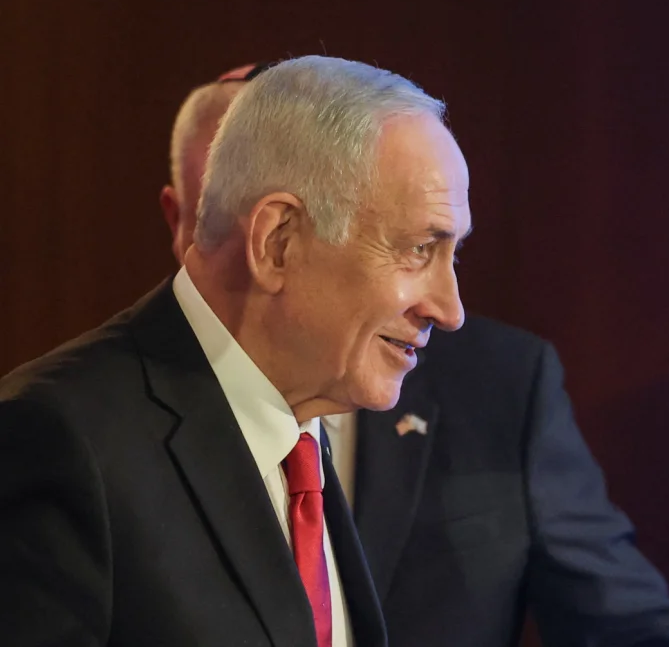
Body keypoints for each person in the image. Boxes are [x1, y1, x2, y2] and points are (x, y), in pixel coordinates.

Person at [159, 63, 669, 647]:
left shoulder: (503, 388)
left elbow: (631, 628)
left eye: (437, 249)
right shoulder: (96, 433)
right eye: (214, 217)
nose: (449, 311)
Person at [0, 55, 475, 646]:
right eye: (418, 249)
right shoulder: (56, 439)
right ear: (278, 242)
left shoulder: (304, 430)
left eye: (452, 256)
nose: (449, 309)